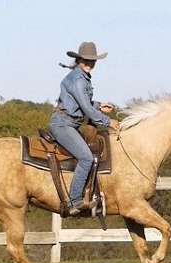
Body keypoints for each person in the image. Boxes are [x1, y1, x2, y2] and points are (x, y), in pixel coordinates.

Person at [48, 41, 120, 215]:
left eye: (92, 61)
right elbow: (85, 108)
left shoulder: (80, 77)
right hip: (63, 124)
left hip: (71, 123)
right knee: (86, 158)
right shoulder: (78, 79)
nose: (89, 64)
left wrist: (99, 105)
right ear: (79, 59)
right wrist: (107, 121)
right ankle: (74, 201)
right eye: (86, 60)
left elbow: (81, 103)